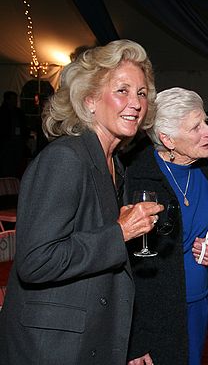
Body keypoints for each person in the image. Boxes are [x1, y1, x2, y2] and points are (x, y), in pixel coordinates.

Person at [0, 39, 163, 365]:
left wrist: (128, 343)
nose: (135, 103)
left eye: (142, 93)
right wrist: (120, 232)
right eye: (122, 90)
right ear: (89, 100)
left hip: (92, 336)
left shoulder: (115, 164)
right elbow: (36, 262)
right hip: (51, 346)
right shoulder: (65, 159)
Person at [125, 87, 208, 365]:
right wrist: (136, 339)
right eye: (196, 127)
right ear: (167, 139)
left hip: (199, 305)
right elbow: (128, 268)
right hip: (157, 315)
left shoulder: (207, 174)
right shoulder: (140, 182)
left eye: (204, 121)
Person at [0, 91, 30, 177]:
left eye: (15, 99)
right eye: (13, 99)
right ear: (7, 100)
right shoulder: (2, 112)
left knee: (17, 164)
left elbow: (24, 126)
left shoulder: (19, 112)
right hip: (6, 142)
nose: (15, 101)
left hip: (18, 142)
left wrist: (24, 138)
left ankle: (14, 180)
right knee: (6, 163)